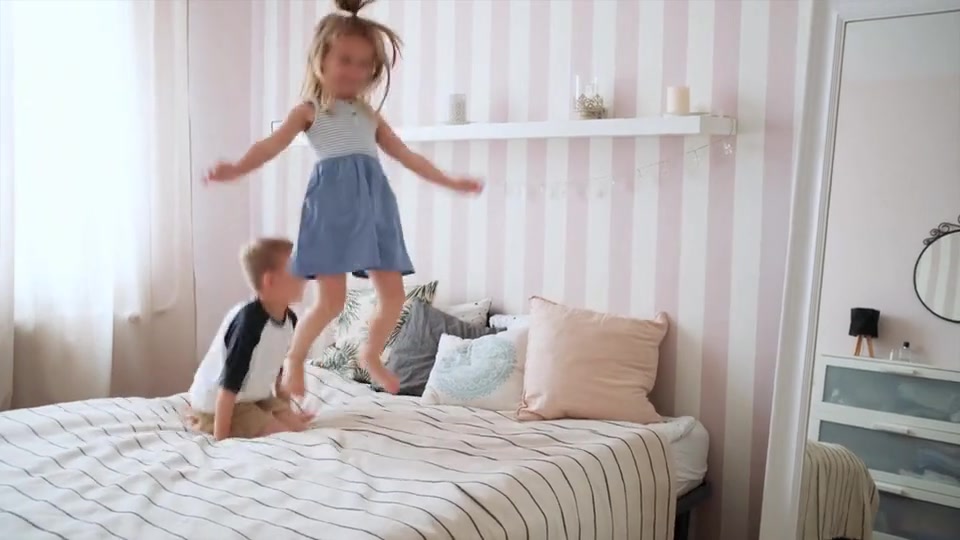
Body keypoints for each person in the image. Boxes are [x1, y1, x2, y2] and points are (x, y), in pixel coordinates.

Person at [205, 0, 482, 396]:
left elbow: (407, 156)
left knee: (393, 296)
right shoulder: (310, 111)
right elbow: (270, 145)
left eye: (364, 64)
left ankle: (370, 354)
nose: (354, 71)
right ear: (321, 59)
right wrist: (236, 169)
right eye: (345, 60)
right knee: (331, 302)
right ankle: (295, 360)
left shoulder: (370, 115)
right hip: (331, 210)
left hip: (375, 210)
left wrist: (451, 181)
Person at [188, 238, 312, 440]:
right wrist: (220, 440)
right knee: (283, 436)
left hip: (253, 395)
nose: (305, 278)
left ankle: (268, 418)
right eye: (297, 271)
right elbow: (228, 386)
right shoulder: (249, 323)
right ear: (270, 281)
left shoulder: (290, 320)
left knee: (297, 427)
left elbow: (280, 375)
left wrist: (286, 411)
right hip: (219, 402)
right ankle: (204, 420)